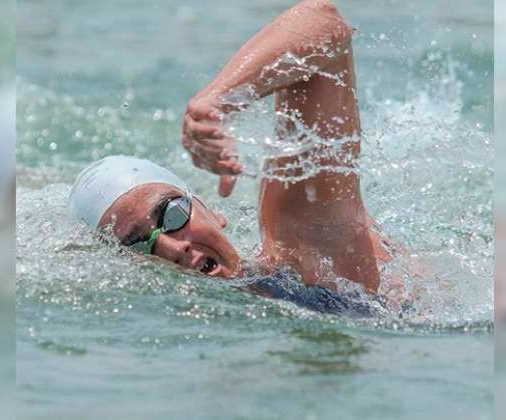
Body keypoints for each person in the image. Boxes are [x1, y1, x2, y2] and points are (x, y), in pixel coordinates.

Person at [69, 0, 400, 303]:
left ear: (213, 212)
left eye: (172, 214)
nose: (174, 247)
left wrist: (217, 101)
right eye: (138, 244)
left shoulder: (303, 253)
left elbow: (326, 24)